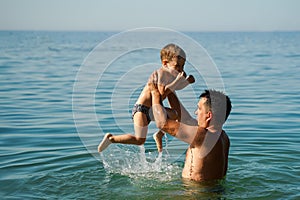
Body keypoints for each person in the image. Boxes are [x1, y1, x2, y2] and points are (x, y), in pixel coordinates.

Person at [98, 43, 195, 152]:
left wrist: (187, 82)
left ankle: (159, 135)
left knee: (175, 114)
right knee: (140, 140)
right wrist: (178, 81)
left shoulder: (175, 73)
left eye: (183, 66)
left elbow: (177, 87)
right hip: (141, 109)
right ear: (165, 63)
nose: (181, 69)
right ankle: (111, 139)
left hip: (154, 110)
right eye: (177, 66)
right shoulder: (161, 74)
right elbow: (162, 93)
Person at [149, 81, 232, 182]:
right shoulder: (222, 136)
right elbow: (185, 119)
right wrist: (171, 91)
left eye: (199, 108)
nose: (196, 112)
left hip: (195, 194)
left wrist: (155, 93)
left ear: (209, 116)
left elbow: (163, 124)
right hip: (212, 192)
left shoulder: (203, 136)